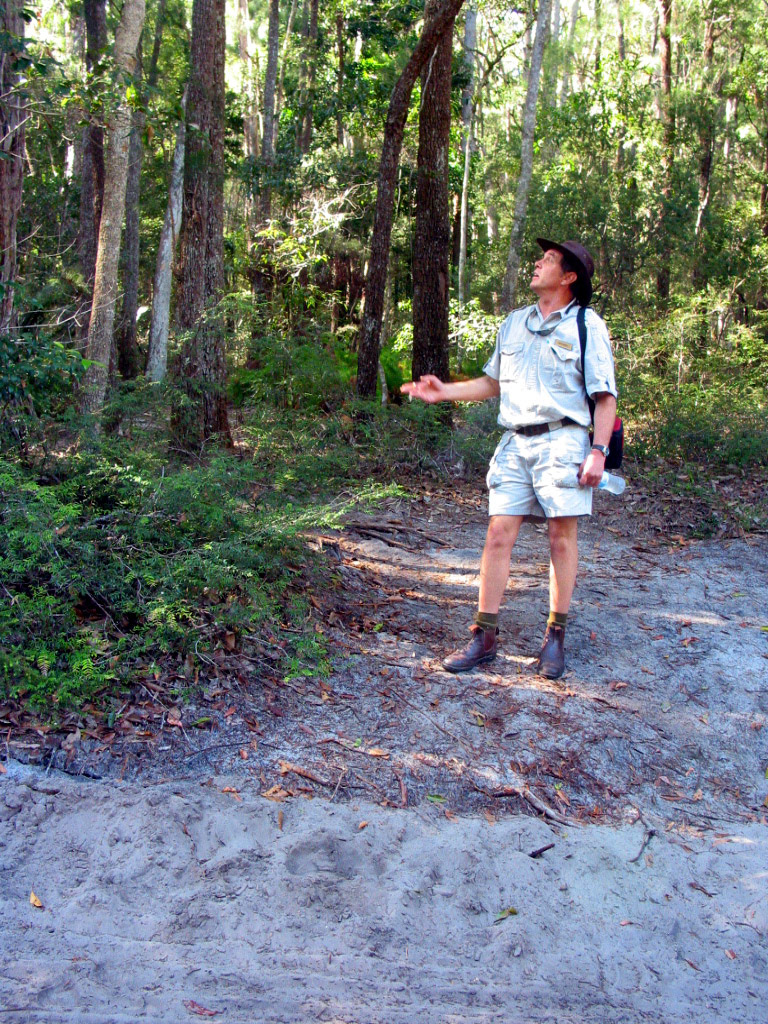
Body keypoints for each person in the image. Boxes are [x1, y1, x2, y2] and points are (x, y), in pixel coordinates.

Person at [401, 238, 617, 679]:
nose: (538, 264)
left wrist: (598, 450)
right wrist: (444, 392)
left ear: (569, 276)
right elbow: (491, 383)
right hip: (515, 444)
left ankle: (554, 637)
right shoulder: (515, 322)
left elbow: (604, 396)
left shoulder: (586, 325)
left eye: (548, 261)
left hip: (564, 441)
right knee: (498, 535)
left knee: (561, 538)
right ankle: (484, 636)